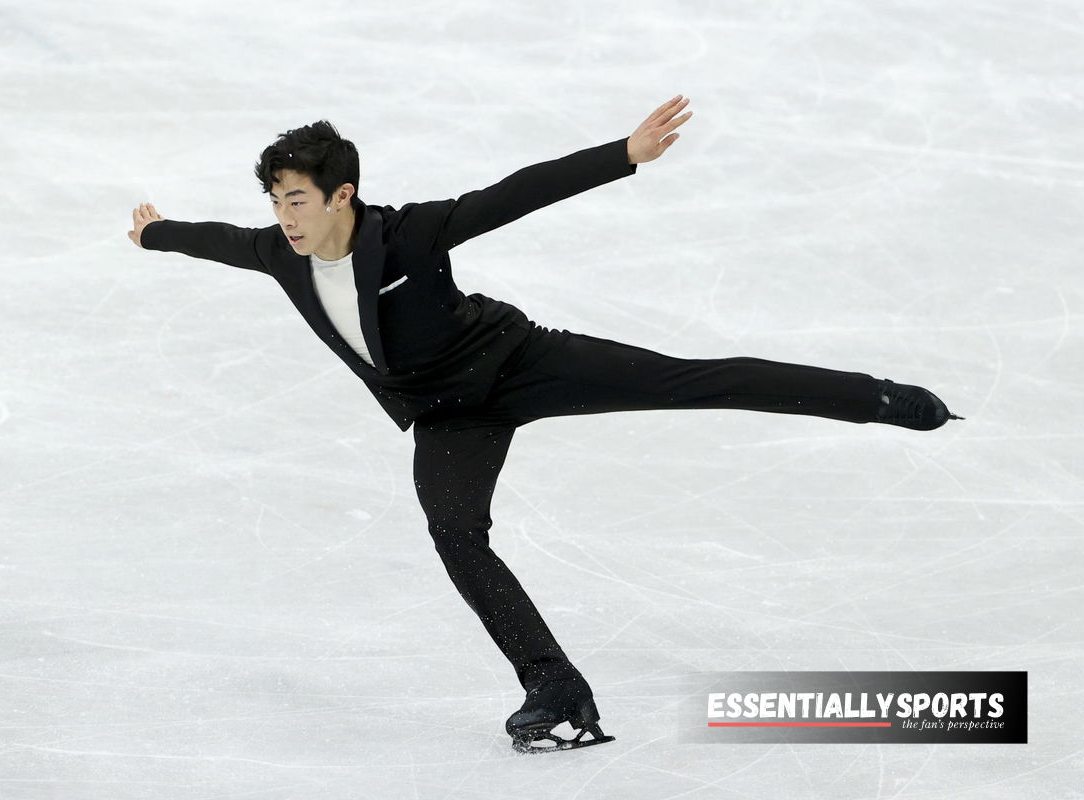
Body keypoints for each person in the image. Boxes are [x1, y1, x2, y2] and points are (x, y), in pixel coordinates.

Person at [127, 95, 961, 753]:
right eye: (277, 201)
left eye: (299, 199)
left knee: (686, 381)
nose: (285, 218)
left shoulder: (411, 233)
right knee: (454, 531)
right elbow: (218, 240)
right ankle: (555, 687)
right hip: (447, 417)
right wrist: (155, 234)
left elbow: (514, 195)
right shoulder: (282, 252)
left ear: (344, 194)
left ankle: (877, 398)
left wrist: (623, 156)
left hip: (518, 362)